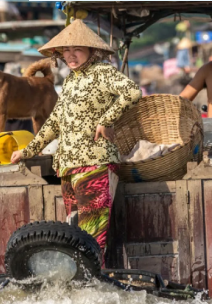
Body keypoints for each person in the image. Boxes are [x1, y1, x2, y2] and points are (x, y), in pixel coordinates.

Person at [10, 19, 142, 265]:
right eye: (66, 51)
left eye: (77, 49)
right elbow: (54, 123)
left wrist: (106, 119)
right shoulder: (70, 80)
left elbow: (132, 91)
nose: (70, 55)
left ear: (91, 50)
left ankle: (94, 286)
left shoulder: (103, 72)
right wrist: (27, 151)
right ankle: (81, 285)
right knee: (74, 235)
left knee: (93, 235)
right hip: (69, 167)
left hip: (95, 164)